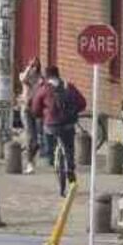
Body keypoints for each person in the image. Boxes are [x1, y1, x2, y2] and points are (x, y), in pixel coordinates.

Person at [30, 65, 87, 197]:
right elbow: (83, 103)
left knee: (49, 146)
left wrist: (43, 114)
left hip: (51, 126)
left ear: (46, 76)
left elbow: (35, 109)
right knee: (69, 150)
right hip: (68, 125)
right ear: (58, 74)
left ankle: (52, 158)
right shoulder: (69, 86)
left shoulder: (44, 89)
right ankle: (70, 170)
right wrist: (73, 111)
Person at [18, 59, 43, 174]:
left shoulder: (40, 78)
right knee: (29, 136)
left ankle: (31, 158)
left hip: (37, 109)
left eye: (35, 66)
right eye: (32, 66)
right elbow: (22, 78)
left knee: (37, 140)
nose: (33, 68)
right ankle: (29, 163)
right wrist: (29, 68)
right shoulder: (25, 76)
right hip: (26, 109)